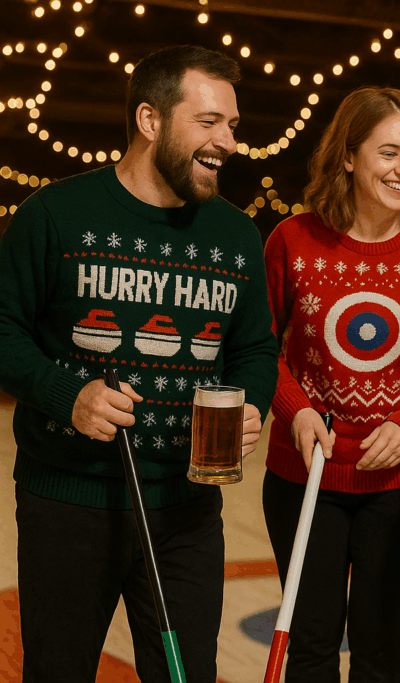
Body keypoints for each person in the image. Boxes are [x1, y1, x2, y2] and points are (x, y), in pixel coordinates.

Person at [0, 45, 278, 682]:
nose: (228, 142)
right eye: (208, 123)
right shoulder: (55, 216)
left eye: (233, 125)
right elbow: (4, 330)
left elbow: (256, 348)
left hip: (185, 511)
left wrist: (252, 403)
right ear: (150, 121)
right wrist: (65, 391)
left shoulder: (236, 237)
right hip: (69, 503)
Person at [262, 86, 400, 682]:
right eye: (389, 153)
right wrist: (295, 411)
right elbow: (258, 347)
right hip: (306, 476)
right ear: (348, 156)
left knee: (379, 644)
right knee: (310, 643)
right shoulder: (293, 240)